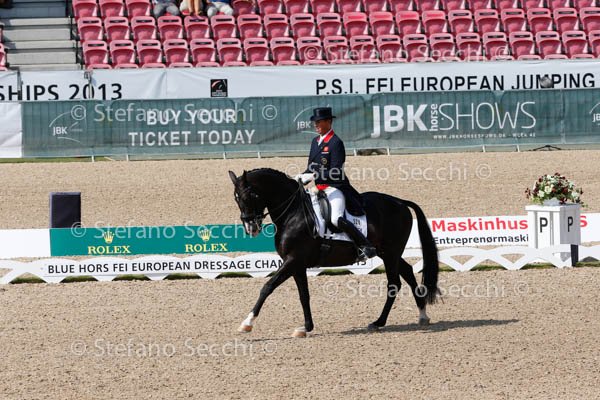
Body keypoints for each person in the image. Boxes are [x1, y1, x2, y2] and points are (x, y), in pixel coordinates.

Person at [295, 107, 377, 261]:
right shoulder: (315, 142)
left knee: (335, 218)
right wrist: (302, 176)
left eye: (319, 121)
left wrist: (314, 175)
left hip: (335, 187)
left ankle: (364, 246)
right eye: (315, 122)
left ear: (328, 122)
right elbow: (311, 167)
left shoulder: (335, 142)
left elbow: (336, 170)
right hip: (318, 188)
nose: (315, 124)